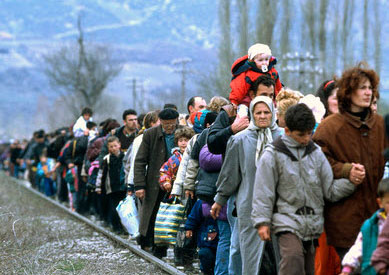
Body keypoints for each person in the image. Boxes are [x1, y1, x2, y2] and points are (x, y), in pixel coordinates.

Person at [252, 103, 359, 275]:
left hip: (312, 223)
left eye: (309, 133)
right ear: (287, 131)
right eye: (301, 135)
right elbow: (263, 192)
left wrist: (352, 181)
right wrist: (262, 222)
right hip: (285, 221)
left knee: (309, 270)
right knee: (292, 260)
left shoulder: (316, 153)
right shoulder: (272, 155)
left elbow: (329, 190)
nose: (306, 139)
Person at [313, 63, 387, 260]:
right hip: (344, 217)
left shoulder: (380, 125)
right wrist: (344, 170)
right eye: (362, 88)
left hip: (378, 215)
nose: (368, 93)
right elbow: (315, 161)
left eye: (370, 88)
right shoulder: (329, 128)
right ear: (348, 91)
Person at [211, 96, 282, 274]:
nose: (263, 116)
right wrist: (220, 199)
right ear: (252, 114)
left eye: (267, 112)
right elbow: (230, 174)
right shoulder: (240, 140)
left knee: (280, 257)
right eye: (258, 112)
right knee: (250, 257)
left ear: (273, 113)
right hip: (249, 205)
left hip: (281, 207)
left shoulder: (283, 137)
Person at [134, 108, 181, 258]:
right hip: (155, 182)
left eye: (172, 124)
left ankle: (178, 250)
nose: (169, 127)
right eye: (166, 124)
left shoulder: (183, 132)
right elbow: (140, 161)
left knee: (177, 215)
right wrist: (139, 185)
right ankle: (154, 246)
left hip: (177, 181)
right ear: (160, 122)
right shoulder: (150, 134)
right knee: (154, 215)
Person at [340, 178, 389, 275]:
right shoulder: (370, 226)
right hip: (371, 270)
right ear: (380, 203)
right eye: (388, 202)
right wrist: (347, 268)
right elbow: (359, 247)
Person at [229, 43, 282, 112]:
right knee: (243, 108)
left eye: (266, 60)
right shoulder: (247, 73)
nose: (264, 63)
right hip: (249, 99)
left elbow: (278, 87)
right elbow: (238, 88)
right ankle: (243, 118)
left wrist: (280, 98)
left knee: (276, 107)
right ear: (252, 60)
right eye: (260, 60)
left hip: (269, 98)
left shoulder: (272, 72)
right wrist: (234, 101)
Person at [95, 136, 126, 234]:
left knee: (124, 208)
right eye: (111, 147)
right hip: (112, 188)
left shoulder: (124, 156)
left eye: (115, 146)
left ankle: (124, 227)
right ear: (108, 148)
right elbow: (101, 174)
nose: (113, 148)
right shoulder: (106, 159)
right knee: (114, 208)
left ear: (119, 145)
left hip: (123, 186)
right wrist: (98, 187)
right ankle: (116, 227)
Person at [185, 199, 219, 275]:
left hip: (217, 240)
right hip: (206, 241)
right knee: (205, 255)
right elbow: (193, 216)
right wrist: (189, 228)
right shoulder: (202, 202)